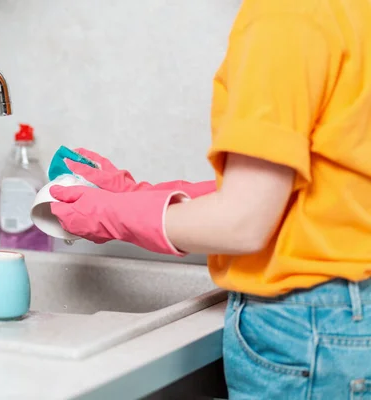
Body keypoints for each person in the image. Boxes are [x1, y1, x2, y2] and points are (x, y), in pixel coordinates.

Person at [49, 0, 371, 398]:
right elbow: (316, 190)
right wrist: (139, 196)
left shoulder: (285, 15)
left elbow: (242, 223)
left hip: (309, 321)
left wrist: (113, 214)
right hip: (350, 312)